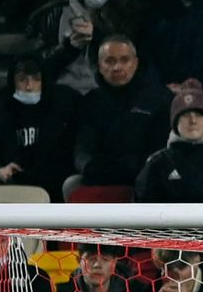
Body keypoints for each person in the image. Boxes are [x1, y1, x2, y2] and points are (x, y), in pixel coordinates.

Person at [73, 36, 170, 192]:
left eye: (125, 60)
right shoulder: (90, 101)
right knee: (71, 185)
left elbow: (160, 152)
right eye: (110, 61)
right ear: (99, 65)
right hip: (101, 176)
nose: (117, 67)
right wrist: (89, 167)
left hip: (145, 178)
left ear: (136, 63)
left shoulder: (159, 98)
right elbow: (82, 148)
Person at [0, 54, 77, 201]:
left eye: (36, 79)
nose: (29, 86)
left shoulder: (62, 104)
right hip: (11, 189)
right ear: (13, 81)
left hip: (53, 190)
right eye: (22, 80)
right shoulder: (1, 108)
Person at [136, 82, 203, 204]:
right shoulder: (159, 161)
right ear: (175, 123)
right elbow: (142, 206)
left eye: (199, 115)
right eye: (185, 115)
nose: (193, 121)